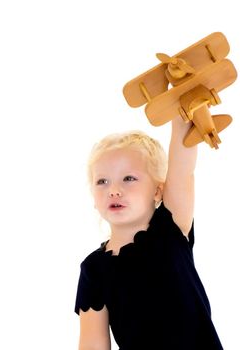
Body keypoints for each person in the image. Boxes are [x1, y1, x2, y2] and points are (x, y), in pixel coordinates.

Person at [74, 116, 224, 350]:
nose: (114, 190)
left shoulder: (170, 229)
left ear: (158, 190)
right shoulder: (94, 270)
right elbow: (92, 344)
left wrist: (182, 115)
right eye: (102, 181)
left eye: (128, 178)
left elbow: (183, 168)